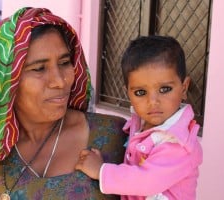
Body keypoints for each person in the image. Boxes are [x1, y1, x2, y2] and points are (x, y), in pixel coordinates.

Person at [0, 7, 127, 199]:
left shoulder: (115, 135)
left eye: (65, 62)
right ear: (4, 81)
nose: (60, 81)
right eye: (39, 68)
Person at [75, 35, 203, 200]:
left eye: (164, 89)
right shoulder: (140, 124)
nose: (153, 102)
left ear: (184, 88)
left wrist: (101, 170)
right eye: (140, 92)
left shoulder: (179, 143)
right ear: (128, 93)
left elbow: (147, 181)